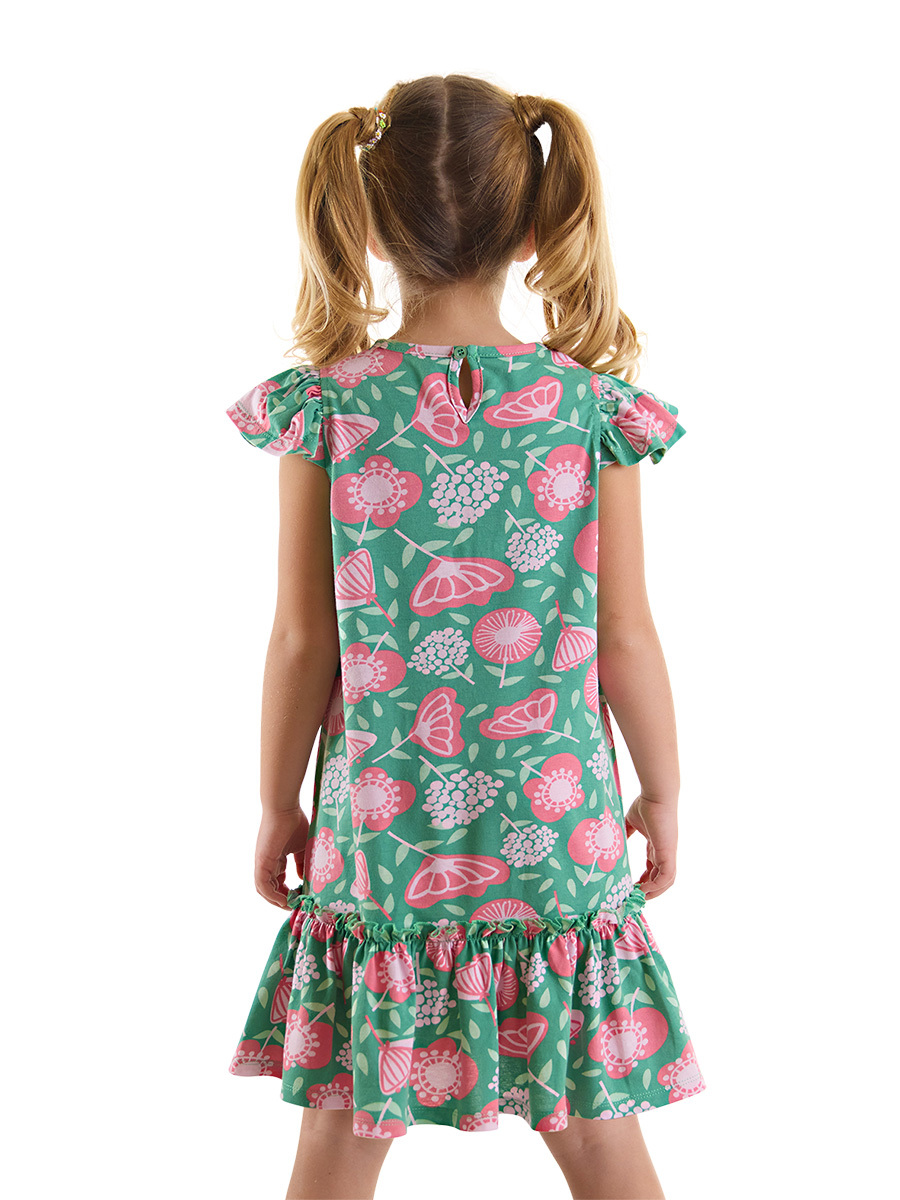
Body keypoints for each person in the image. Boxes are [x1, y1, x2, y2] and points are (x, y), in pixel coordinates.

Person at [225, 74, 706, 1200]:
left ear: (371, 223)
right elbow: (626, 634)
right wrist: (663, 792)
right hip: (556, 820)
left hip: (383, 824)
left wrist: (278, 802)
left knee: (344, 1130)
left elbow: (301, 640)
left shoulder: (330, 407)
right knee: (597, 1129)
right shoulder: (589, 410)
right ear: (534, 225)